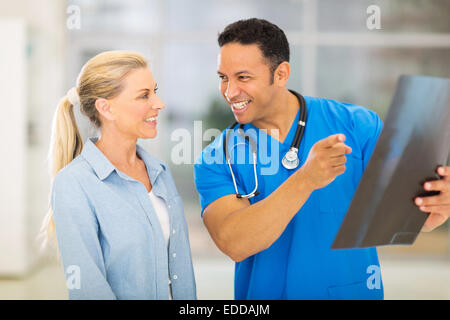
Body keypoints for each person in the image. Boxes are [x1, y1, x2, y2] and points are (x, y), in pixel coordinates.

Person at [193, 18, 450, 300]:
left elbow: (403, 212)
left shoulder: (356, 126)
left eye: (243, 77)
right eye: (223, 78)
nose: (229, 92)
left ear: (280, 74)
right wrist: (305, 180)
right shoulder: (218, 158)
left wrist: (431, 208)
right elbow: (235, 243)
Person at [41, 50, 196, 300]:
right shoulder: (74, 184)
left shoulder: (159, 172)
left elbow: (181, 267)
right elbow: (88, 288)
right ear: (106, 108)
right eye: (144, 95)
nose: (159, 104)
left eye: (154, 91)